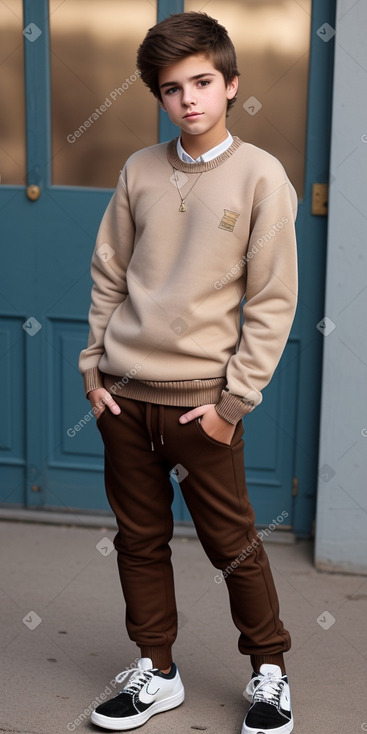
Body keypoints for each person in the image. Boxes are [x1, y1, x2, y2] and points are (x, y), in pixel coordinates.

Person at [78, 11, 298, 734]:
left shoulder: (262, 176)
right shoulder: (138, 169)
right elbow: (108, 275)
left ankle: (269, 673)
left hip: (200, 404)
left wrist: (231, 405)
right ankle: (158, 672)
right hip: (122, 398)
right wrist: (93, 371)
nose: (188, 100)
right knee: (137, 539)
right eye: (172, 89)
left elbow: (271, 301)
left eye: (202, 82)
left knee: (231, 543)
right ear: (160, 98)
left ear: (230, 85)